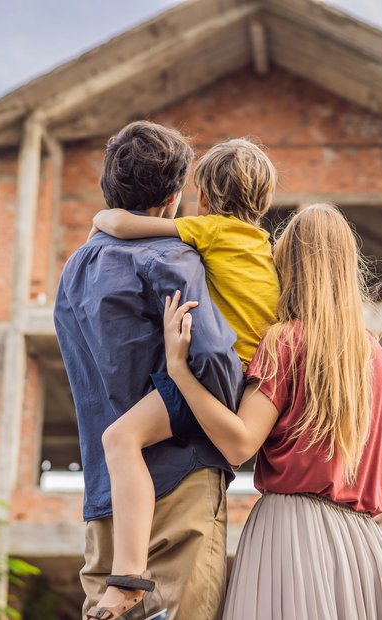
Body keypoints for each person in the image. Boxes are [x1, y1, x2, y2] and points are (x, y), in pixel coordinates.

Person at [162, 203, 382, 619]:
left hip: (293, 533)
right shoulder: (375, 356)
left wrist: (179, 371)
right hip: (363, 545)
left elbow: (239, 442)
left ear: (288, 266)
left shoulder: (286, 341)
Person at [54, 121, 243, 620]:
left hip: (105, 496)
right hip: (179, 484)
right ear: (175, 194)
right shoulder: (172, 257)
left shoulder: (74, 270)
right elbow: (212, 358)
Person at [87, 138, 280, 619]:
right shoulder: (264, 247)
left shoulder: (210, 231)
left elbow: (124, 224)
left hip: (218, 376)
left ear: (203, 193)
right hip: (253, 385)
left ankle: (129, 577)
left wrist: (100, 219)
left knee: (120, 438)